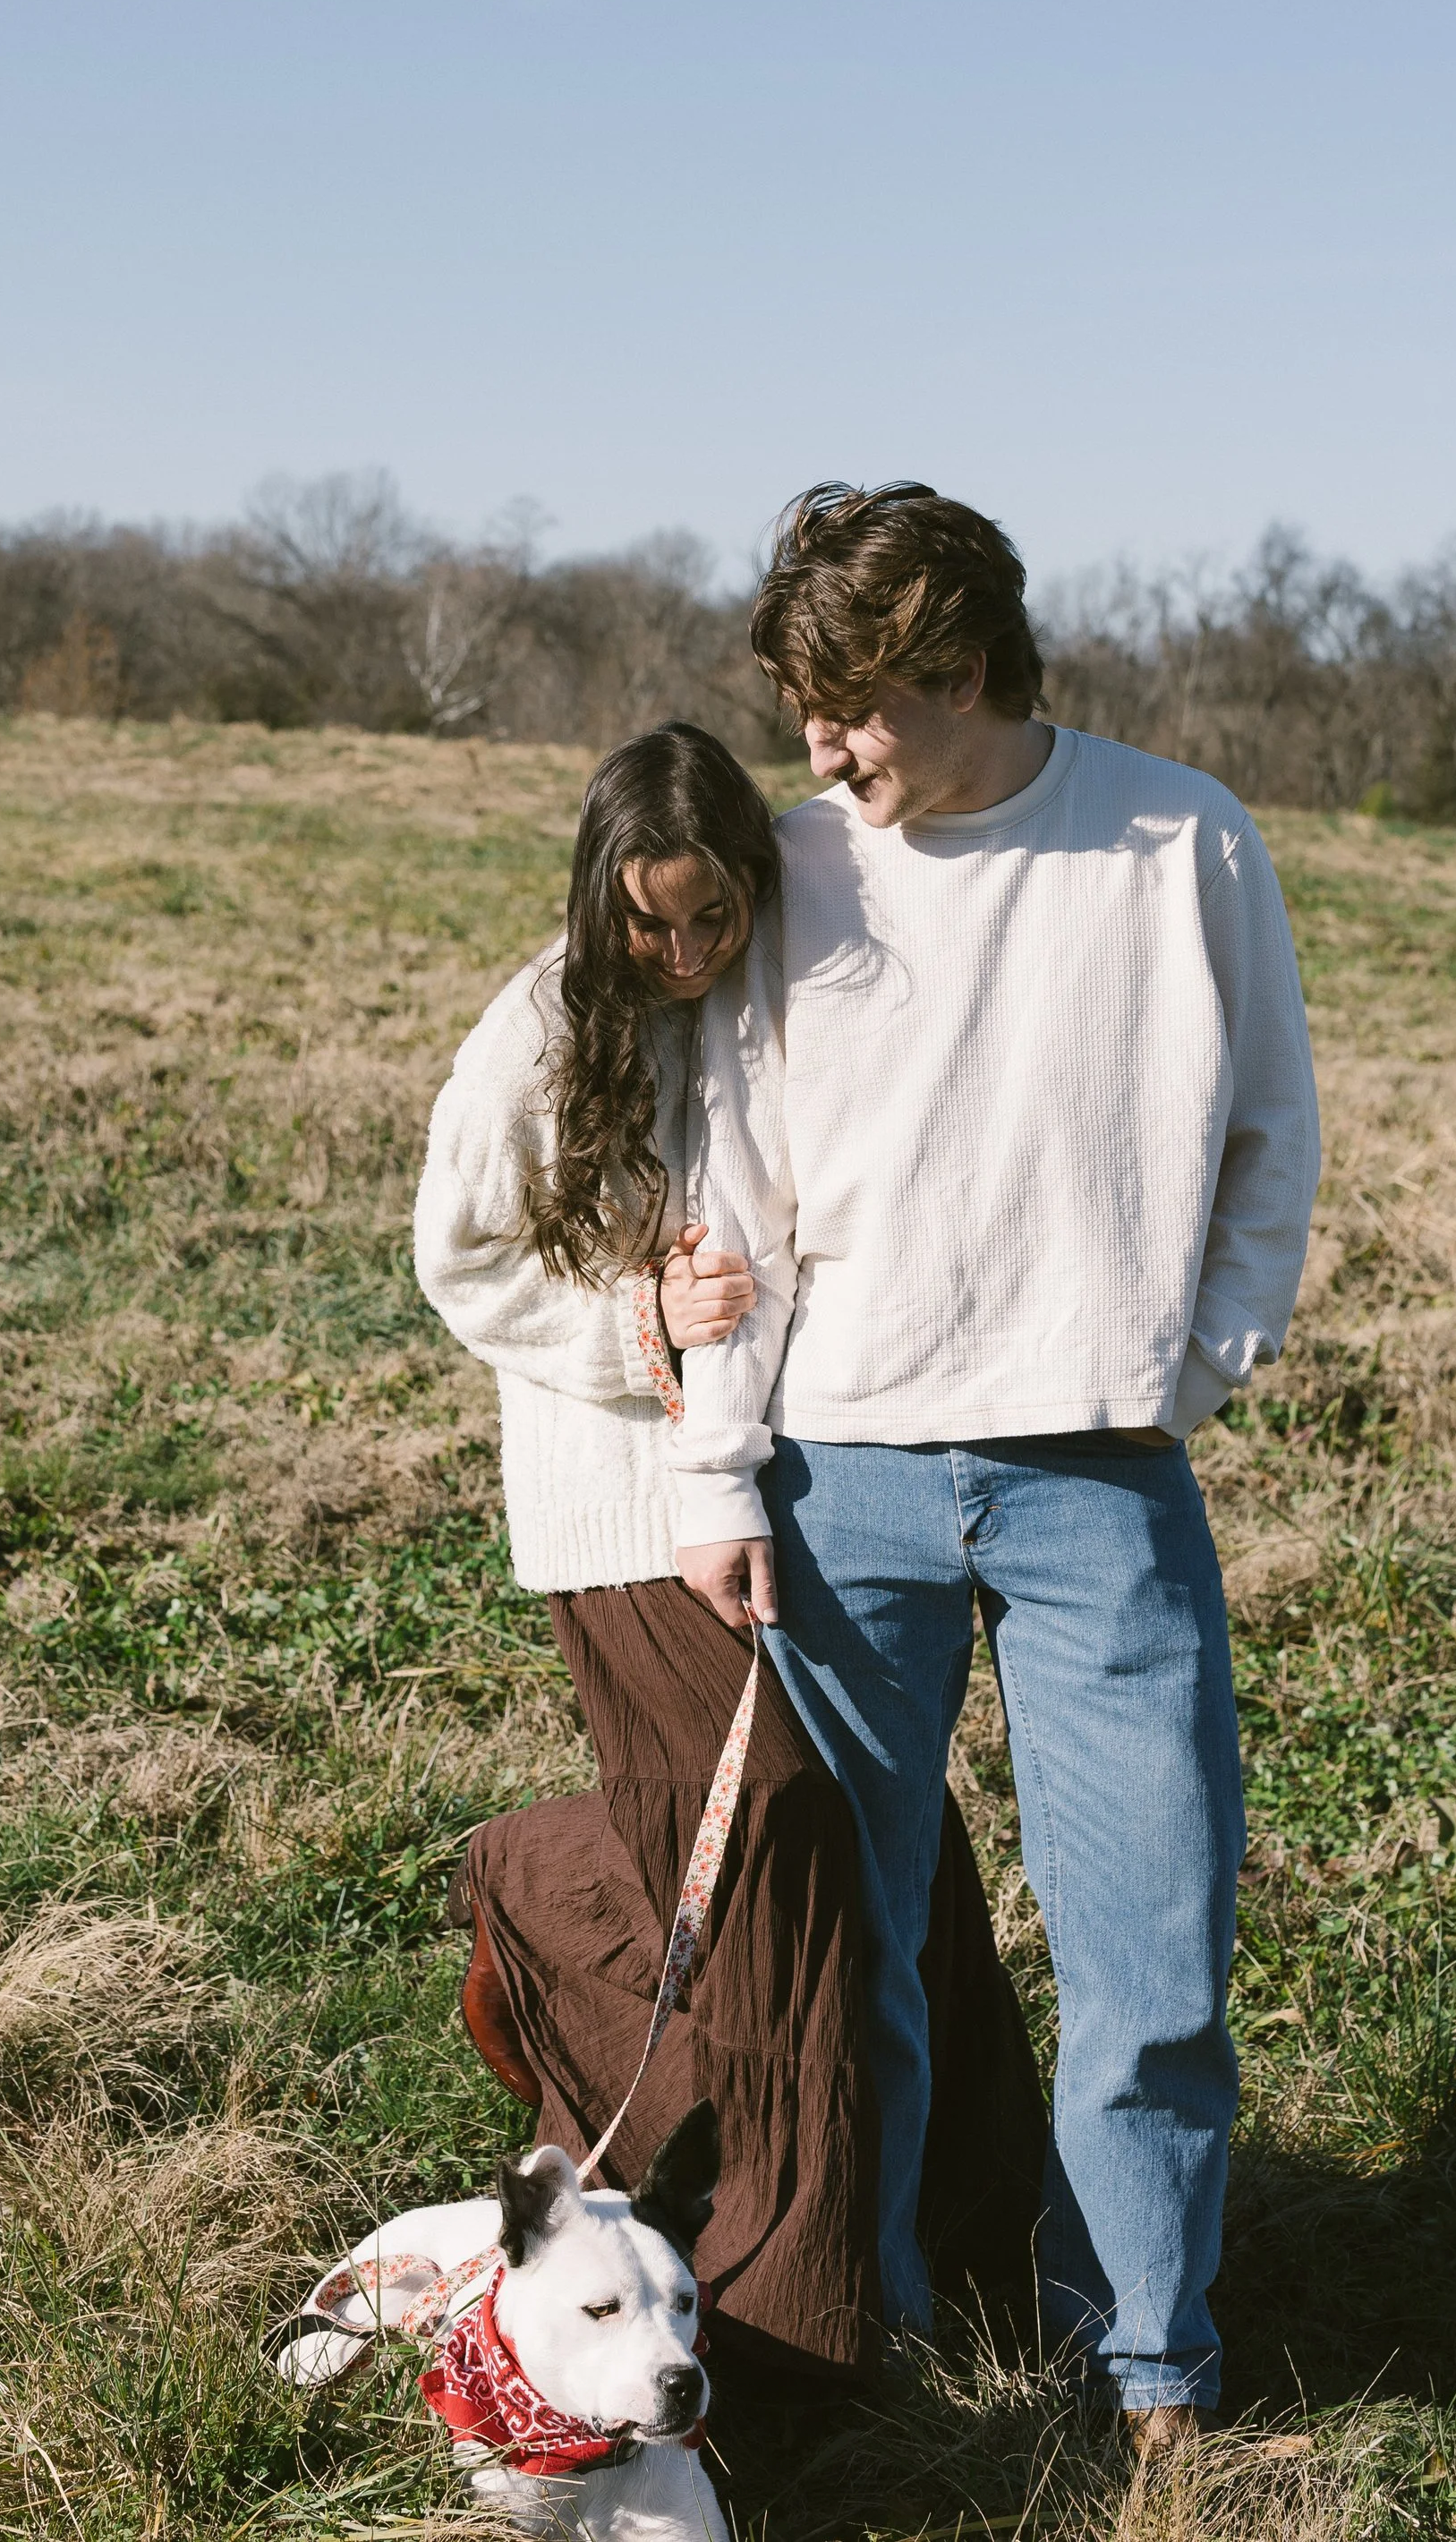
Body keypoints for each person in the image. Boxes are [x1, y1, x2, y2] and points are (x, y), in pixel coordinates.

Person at [668, 486, 1320, 2448]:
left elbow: (1267, 1133)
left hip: (1096, 1479)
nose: (820, 750)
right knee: (841, 1956)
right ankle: (854, 2330)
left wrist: (1184, 1369)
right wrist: (716, 1469)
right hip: (834, 1478)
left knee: (1151, 1948)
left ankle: (1148, 2369)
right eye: (797, 708)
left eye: (849, 708)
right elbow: (728, 1177)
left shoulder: (1175, 835)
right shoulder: (790, 867)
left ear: (954, 668)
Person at [414, 720, 1043, 2386]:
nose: (684, 952)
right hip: (610, 1501)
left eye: (713, 917)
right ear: (599, 897)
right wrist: (639, 1325)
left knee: (878, 1846)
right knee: (766, 1839)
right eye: (651, 923)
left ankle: (969, 2243)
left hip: (772, 1487)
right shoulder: (538, 1025)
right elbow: (455, 1256)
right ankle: (790, 2317)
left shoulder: (762, 1006)